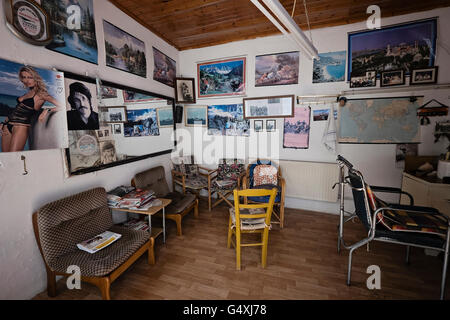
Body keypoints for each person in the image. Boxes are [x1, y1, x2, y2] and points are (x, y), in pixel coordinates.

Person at [1, 66, 62, 152]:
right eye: (24, 77)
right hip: (6, 126)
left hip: (20, 127)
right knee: (5, 157)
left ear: (35, 78)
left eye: (30, 77)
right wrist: (3, 123)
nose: (27, 80)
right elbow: (17, 110)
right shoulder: (28, 92)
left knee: (14, 158)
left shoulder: (42, 94)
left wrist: (47, 110)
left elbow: (61, 105)